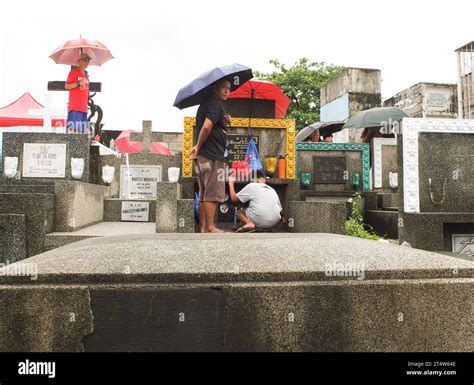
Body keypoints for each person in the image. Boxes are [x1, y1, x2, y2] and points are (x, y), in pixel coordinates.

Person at [190, 78, 231, 233]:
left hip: (203, 156)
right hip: (212, 155)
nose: (227, 91)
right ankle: (210, 226)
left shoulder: (206, 104)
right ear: (215, 88)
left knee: (204, 192)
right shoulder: (214, 103)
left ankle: (202, 227)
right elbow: (207, 127)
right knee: (212, 192)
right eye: (223, 87)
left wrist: (224, 120)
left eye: (229, 88)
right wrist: (198, 146)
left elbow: (209, 125)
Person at [64, 52, 91, 134]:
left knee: (81, 134)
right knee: (73, 132)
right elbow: (66, 86)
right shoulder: (73, 72)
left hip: (84, 109)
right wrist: (78, 83)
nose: (87, 62)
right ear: (79, 61)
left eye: (88, 60)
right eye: (85, 59)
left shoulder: (86, 76)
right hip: (75, 108)